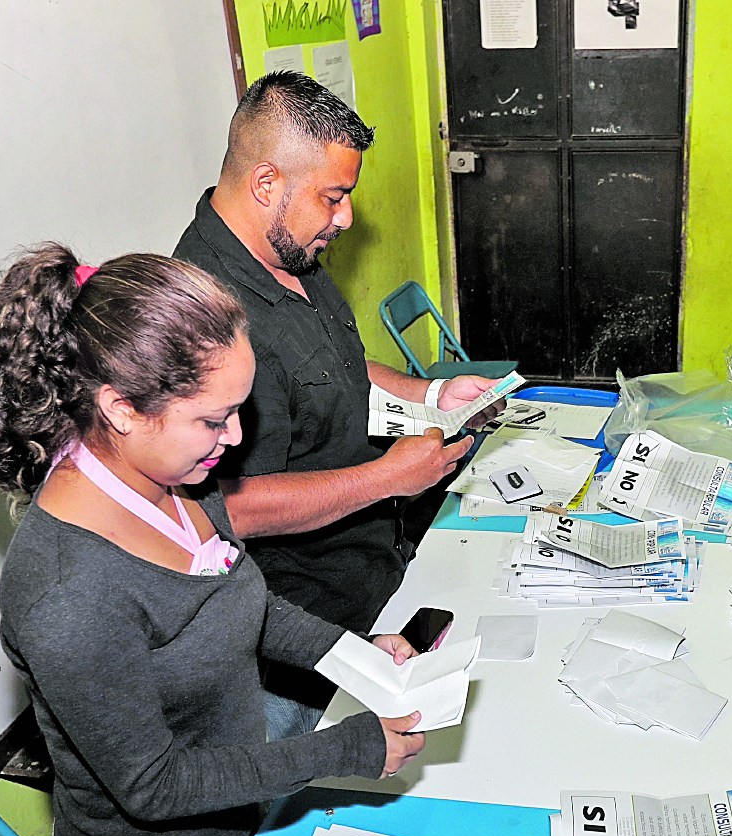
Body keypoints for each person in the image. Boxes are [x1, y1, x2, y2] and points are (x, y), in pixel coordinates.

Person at [0, 245, 426, 836]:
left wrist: (352, 654)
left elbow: (244, 601)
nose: (234, 438)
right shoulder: (68, 591)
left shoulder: (172, 483)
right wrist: (342, 751)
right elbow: (156, 785)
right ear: (120, 408)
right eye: (213, 418)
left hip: (238, 814)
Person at [174, 71, 503, 739]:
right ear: (266, 184)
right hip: (296, 637)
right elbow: (218, 510)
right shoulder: (198, 315)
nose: (345, 217)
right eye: (333, 197)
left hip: (376, 574)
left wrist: (431, 393)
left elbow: (334, 365)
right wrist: (388, 477)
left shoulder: (287, 246)